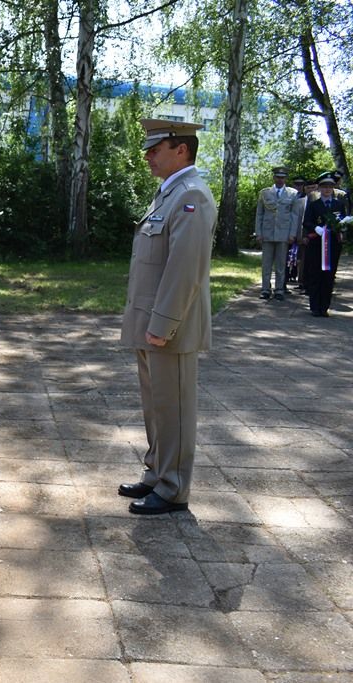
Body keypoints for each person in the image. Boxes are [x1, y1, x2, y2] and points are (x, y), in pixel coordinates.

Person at [119, 118, 217, 515]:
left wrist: (162, 325)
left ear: (181, 150)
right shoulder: (169, 194)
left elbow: (184, 269)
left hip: (169, 328)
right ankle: (158, 472)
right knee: (156, 406)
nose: (148, 156)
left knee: (173, 409)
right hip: (151, 323)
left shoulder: (192, 196)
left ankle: (174, 488)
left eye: (155, 149)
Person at [302, 174, 345, 317]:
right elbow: (306, 222)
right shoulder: (314, 205)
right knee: (315, 274)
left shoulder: (339, 205)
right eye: (325, 187)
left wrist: (343, 227)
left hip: (333, 245)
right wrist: (316, 228)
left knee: (329, 276)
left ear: (333, 188)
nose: (327, 189)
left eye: (330, 187)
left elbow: (343, 221)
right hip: (316, 244)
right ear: (319, 189)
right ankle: (315, 307)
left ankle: (324, 307)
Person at [254, 166, 300, 300]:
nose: (280, 180)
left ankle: (279, 289)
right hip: (267, 233)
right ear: (274, 178)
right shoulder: (265, 193)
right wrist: (258, 232)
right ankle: (265, 289)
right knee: (266, 264)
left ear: (286, 178)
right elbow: (259, 214)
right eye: (278, 177)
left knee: (281, 264)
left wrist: (292, 234)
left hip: (283, 234)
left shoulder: (292, 194)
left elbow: (295, 216)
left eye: (283, 177)